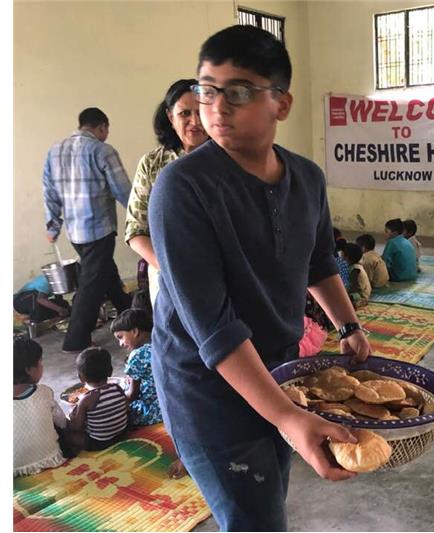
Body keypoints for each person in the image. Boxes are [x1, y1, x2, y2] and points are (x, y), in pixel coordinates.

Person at [147, 25, 371, 531]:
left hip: (283, 370)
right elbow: (214, 328)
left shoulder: (307, 178)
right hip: (207, 387)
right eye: (207, 90)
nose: (217, 106)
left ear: (281, 104)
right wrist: (289, 417)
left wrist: (348, 326)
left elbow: (317, 263)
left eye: (239, 92)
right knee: (253, 517)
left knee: (270, 495)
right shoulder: (182, 188)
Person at [43, 107, 132, 352]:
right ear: (102, 127)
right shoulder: (102, 151)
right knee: (90, 284)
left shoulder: (55, 151)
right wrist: (145, 218)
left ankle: (130, 314)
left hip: (75, 233)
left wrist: (53, 226)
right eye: (106, 130)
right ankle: (76, 339)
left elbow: (49, 192)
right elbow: (124, 191)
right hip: (99, 230)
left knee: (105, 274)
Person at [125, 79, 209, 305]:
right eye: (185, 114)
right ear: (171, 118)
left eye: (201, 112)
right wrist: (169, 269)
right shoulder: (153, 164)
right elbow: (135, 230)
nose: (195, 121)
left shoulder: (228, 159)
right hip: (168, 277)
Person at [14, 339, 68, 476]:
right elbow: (63, 423)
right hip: (50, 459)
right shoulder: (44, 392)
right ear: (28, 369)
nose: (42, 366)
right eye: (40, 362)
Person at [66, 347, 129, 451]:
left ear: (81, 377)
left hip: (99, 442)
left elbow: (76, 426)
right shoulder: (117, 388)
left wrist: (71, 416)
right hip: (122, 434)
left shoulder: (86, 399)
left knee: (69, 436)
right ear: (110, 371)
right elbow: (126, 408)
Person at [110, 309, 161, 426]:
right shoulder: (161, 341)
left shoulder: (138, 355)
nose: (121, 343)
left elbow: (133, 394)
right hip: (171, 399)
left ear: (135, 331)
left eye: (120, 337)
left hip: (155, 408)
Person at [342, 243, 371, 308]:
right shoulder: (357, 266)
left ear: (347, 256)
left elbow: (354, 288)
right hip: (364, 293)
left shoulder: (355, 270)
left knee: (341, 297)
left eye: (342, 253)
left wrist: (345, 292)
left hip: (361, 295)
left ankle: (359, 302)